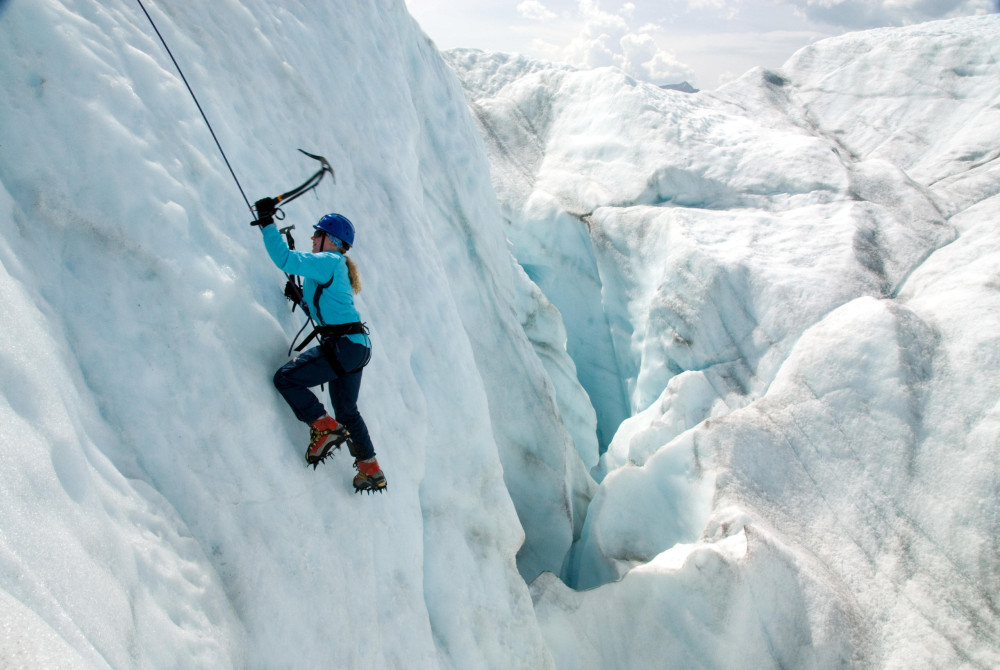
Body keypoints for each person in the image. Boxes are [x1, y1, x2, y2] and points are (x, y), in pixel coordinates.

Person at [253, 198, 386, 493]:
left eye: (317, 234)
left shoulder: (329, 261)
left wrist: (266, 221)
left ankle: (323, 426)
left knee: (286, 379)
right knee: (347, 410)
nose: (312, 238)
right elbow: (329, 311)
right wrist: (300, 298)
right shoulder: (333, 267)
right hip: (356, 347)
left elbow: (286, 260)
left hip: (344, 345)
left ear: (331, 240)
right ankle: (370, 468)